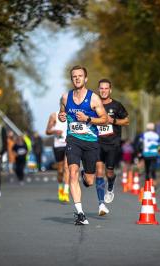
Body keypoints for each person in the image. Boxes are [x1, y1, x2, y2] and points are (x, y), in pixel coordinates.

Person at [58, 65, 108, 225]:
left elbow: (105, 119)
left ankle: (84, 176)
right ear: (71, 79)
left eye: (80, 76)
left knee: (89, 180)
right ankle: (80, 213)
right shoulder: (65, 97)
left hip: (91, 142)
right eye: (74, 76)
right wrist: (61, 117)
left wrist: (87, 119)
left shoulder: (93, 98)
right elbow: (62, 114)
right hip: (73, 139)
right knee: (72, 172)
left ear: (85, 79)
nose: (77, 78)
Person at [95, 78, 129, 215]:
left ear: (110, 90)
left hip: (112, 144)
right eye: (101, 88)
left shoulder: (117, 106)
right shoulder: (94, 105)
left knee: (109, 172)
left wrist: (112, 120)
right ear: (98, 90)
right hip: (97, 142)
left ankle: (110, 186)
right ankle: (101, 204)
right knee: (99, 172)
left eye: (106, 88)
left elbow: (126, 121)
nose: (103, 91)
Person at [46, 111, 70, 202]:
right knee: (60, 170)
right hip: (58, 145)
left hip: (69, 144)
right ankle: (60, 189)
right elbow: (47, 131)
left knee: (66, 167)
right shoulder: (54, 116)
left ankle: (66, 192)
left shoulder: (72, 114)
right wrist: (55, 131)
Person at [139, 123, 160, 187]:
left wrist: (140, 153)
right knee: (153, 168)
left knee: (147, 168)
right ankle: (154, 182)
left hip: (146, 154)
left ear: (147, 128)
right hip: (154, 154)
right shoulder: (157, 135)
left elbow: (140, 144)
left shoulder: (143, 135)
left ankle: (147, 183)